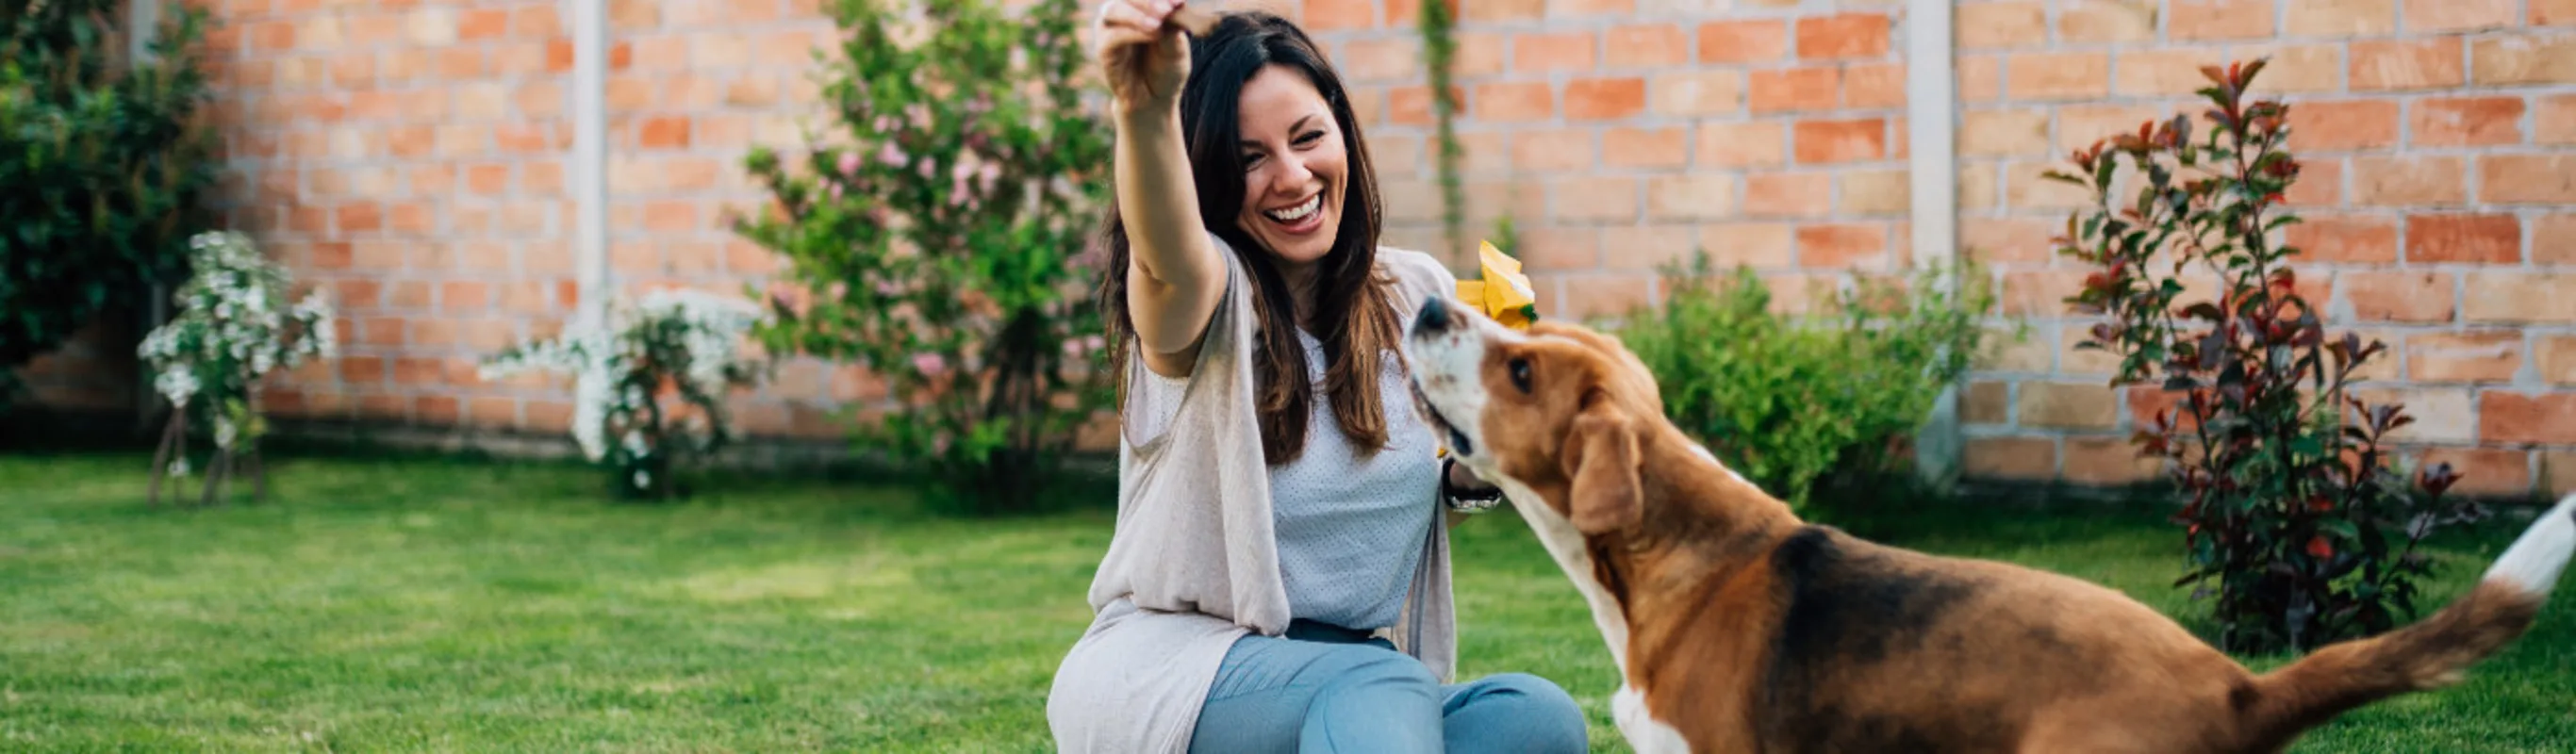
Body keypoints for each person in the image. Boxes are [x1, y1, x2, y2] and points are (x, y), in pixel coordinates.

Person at [1044, 2, 1593, 753]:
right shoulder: (1207, 304)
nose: (1292, 176)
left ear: (1343, 135)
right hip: (1171, 677)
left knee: (1532, 717)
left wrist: (1479, 462)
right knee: (1385, 682)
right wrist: (1143, 110)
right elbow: (1162, 263)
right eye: (1249, 159)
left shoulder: (1414, 295)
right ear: (1207, 176)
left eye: (1308, 138)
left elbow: (1422, 495)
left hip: (1338, 675)